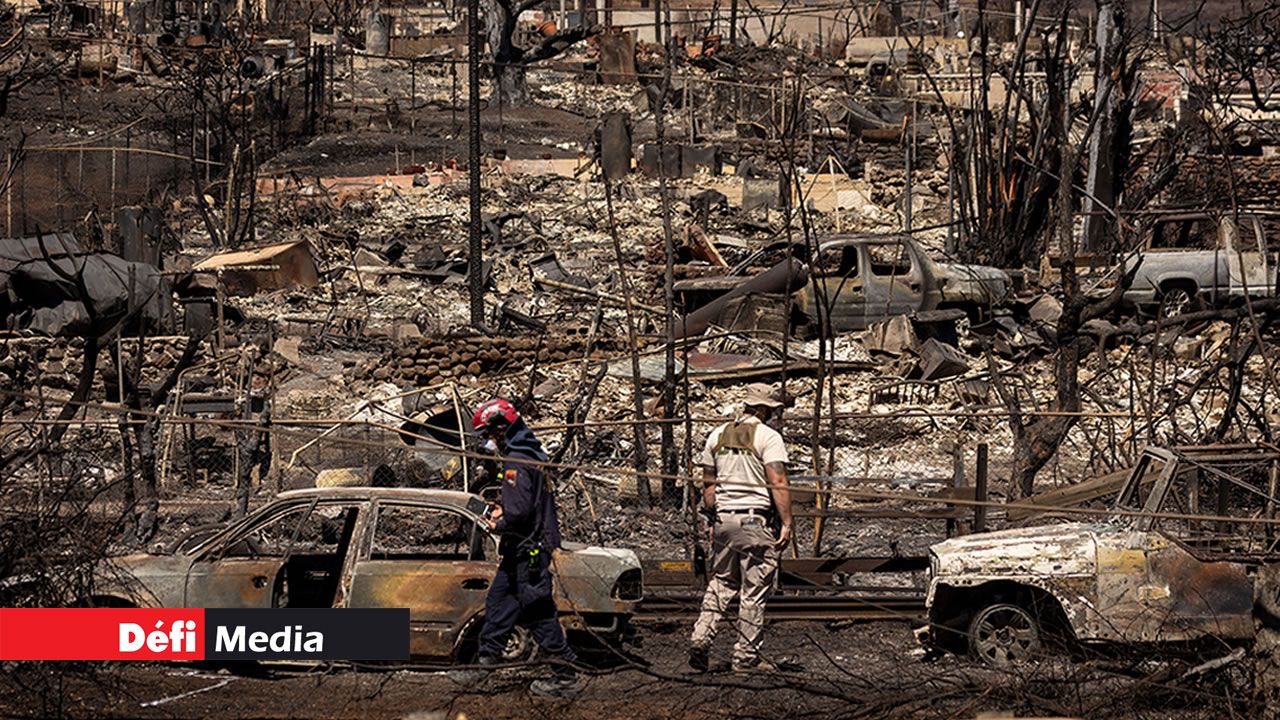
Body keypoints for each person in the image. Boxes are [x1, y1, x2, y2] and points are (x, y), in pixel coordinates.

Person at [469, 398, 581, 698]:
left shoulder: (517, 461)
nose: (488, 440)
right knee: (499, 602)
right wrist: (505, 509)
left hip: (527, 550)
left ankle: (565, 674)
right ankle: (483, 665)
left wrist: (498, 523)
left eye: (488, 433)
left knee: (538, 612)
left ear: (501, 429)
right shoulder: (533, 455)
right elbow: (526, 504)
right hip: (521, 549)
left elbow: (519, 513)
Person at [688, 383, 793, 673]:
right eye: (771, 410)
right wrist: (786, 522)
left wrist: (713, 519)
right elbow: (778, 481)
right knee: (753, 591)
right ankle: (746, 657)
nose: (773, 415)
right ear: (762, 409)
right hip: (754, 520)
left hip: (724, 519)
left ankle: (700, 637)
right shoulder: (768, 437)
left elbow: (709, 486)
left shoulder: (717, 435)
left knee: (722, 582)